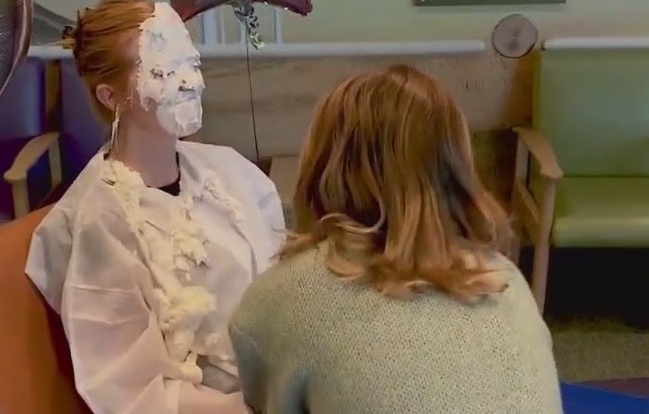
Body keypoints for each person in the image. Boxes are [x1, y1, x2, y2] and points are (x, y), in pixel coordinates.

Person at [228, 65, 565, 414]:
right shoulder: (504, 279)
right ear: (456, 164)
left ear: (323, 161)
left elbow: (260, 397)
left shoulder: (287, 295)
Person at [26, 0, 284, 414]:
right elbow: (133, 394)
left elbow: (284, 283)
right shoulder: (98, 223)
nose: (190, 82)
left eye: (193, 64)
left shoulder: (231, 172)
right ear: (111, 96)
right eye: (164, 71)